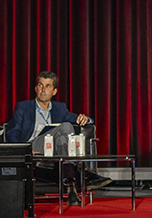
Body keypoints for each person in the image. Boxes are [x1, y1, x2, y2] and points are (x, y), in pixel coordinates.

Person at [5, 71, 96, 205]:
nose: (43, 90)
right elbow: (13, 131)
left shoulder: (60, 108)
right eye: (40, 85)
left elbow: (78, 119)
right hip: (33, 146)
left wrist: (86, 119)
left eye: (48, 86)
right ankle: (76, 177)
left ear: (54, 91)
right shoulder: (23, 107)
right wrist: (23, 150)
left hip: (55, 149)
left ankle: (70, 186)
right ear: (36, 88)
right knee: (65, 126)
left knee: (62, 137)